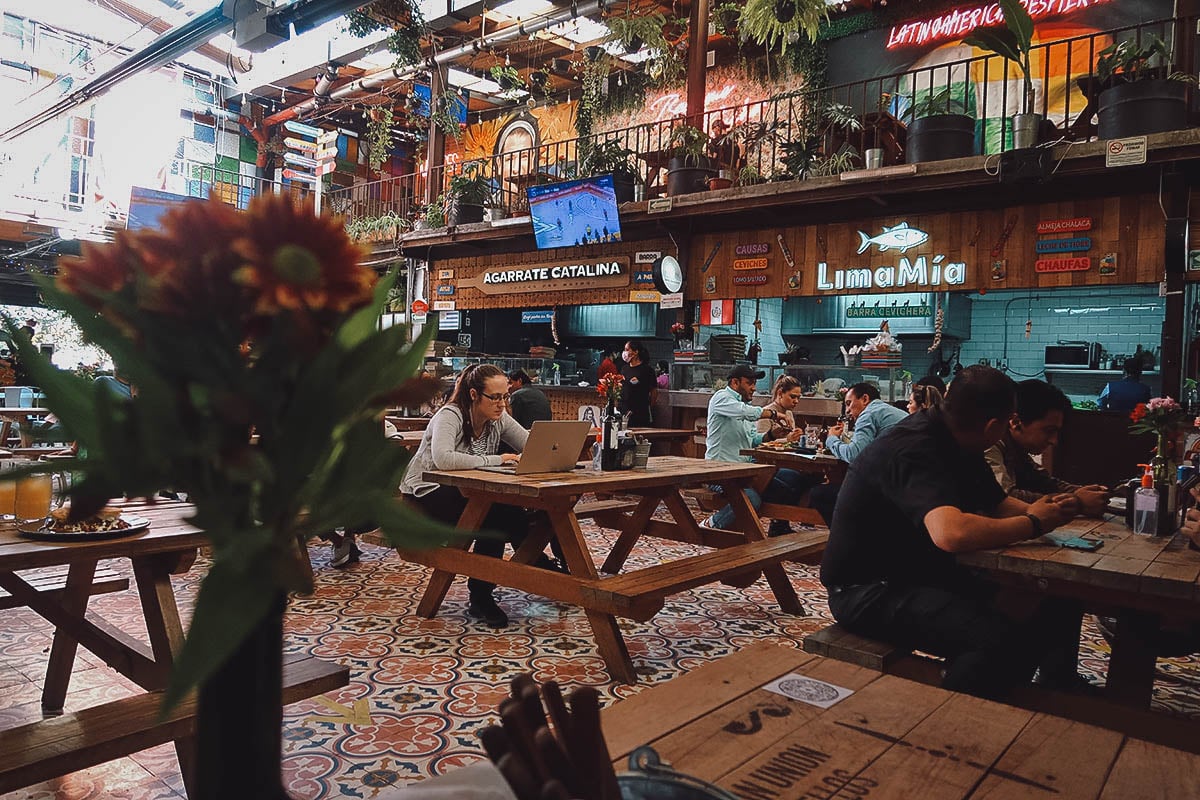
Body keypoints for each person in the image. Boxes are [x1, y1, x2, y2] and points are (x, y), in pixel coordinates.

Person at [820, 365, 1087, 700]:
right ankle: (950, 713)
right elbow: (951, 533)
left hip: (916, 574)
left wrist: (1048, 511)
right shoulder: (916, 446)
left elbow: (998, 503)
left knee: (1051, 600)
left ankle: (1048, 693)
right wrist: (1035, 523)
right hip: (867, 590)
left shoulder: (959, 437)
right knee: (997, 640)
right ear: (994, 425)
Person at [399, 364, 559, 628]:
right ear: (474, 395)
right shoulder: (450, 415)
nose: (501, 404)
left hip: (467, 494)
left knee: (503, 511)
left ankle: (516, 572)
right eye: (495, 397)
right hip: (425, 495)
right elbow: (443, 459)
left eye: (505, 397)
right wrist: (498, 459)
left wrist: (554, 446)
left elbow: (528, 443)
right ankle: (493, 588)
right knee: (496, 513)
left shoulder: (499, 418)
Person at [703, 365, 816, 536]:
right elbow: (744, 412)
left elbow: (753, 440)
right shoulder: (721, 398)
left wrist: (771, 434)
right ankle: (710, 525)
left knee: (791, 478)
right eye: (750, 383)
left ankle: (778, 527)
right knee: (751, 498)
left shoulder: (745, 407)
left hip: (744, 471)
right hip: (719, 472)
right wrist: (774, 414)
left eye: (755, 383)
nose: (754, 388)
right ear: (735, 382)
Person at [985, 380, 1110, 517]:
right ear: (1016, 422)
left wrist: (1087, 493)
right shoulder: (989, 444)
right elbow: (1004, 499)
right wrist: (1076, 502)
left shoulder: (1017, 448)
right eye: (1049, 431)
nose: (1054, 441)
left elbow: (1044, 482)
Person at [825, 382, 908, 462]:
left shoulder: (868, 414)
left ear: (865, 399)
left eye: (849, 403)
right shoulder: (884, 410)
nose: (847, 411)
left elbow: (854, 455)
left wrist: (832, 438)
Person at [618, 339, 656, 427]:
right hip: (624, 411)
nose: (625, 353)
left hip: (640, 413)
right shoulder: (624, 369)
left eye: (627, 350)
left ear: (635, 352)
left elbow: (654, 391)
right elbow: (621, 387)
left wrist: (650, 407)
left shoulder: (647, 370)